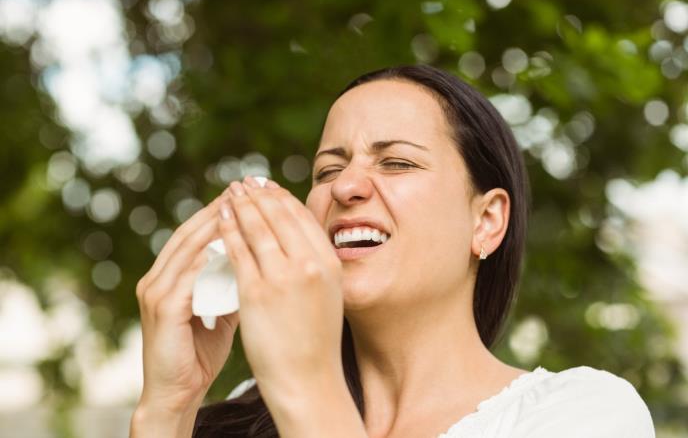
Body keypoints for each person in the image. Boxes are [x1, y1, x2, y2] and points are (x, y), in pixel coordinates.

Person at [129, 65, 655, 437]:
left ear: (487, 221)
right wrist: (168, 407)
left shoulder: (584, 414)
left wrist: (304, 382)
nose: (345, 187)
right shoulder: (241, 417)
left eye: (397, 163)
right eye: (327, 170)